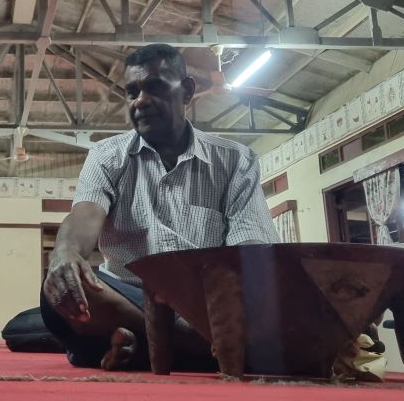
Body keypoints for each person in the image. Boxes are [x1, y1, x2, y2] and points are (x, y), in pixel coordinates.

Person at [40, 43, 279, 371]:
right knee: (62, 291)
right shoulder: (106, 156)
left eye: (155, 86)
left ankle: (142, 348)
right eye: (131, 91)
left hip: (206, 305)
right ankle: (200, 346)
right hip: (127, 293)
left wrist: (238, 305)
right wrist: (64, 253)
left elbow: (252, 247)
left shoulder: (235, 160)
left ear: (187, 92)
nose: (140, 101)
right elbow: (85, 214)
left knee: (268, 295)